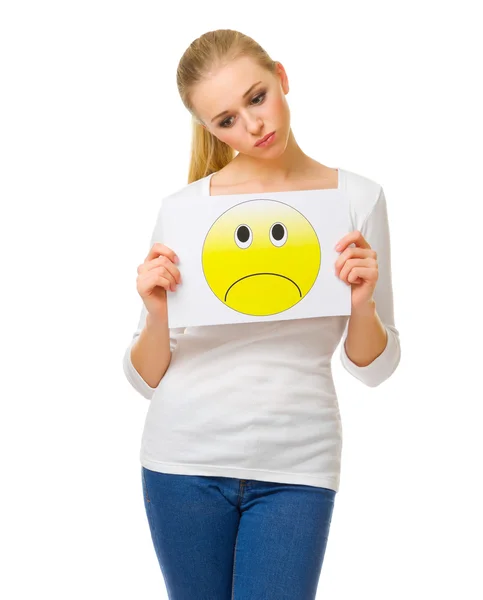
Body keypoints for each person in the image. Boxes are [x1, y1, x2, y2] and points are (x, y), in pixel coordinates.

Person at [122, 29, 401, 600]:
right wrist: (154, 313)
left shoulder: (357, 199)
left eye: (256, 97)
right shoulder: (184, 211)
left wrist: (362, 301)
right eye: (225, 120)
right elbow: (146, 377)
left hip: (298, 464)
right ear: (208, 130)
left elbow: (373, 368)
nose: (252, 125)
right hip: (182, 459)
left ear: (281, 77)